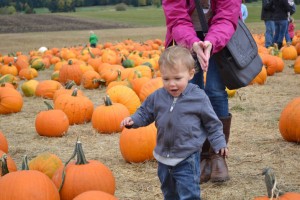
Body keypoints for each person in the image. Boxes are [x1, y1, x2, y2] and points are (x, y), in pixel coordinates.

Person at [120, 45, 228, 199]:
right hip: (163, 156)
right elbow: (145, 112)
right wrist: (134, 120)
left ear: (190, 74)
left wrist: (219, 142)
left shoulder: (198, 97)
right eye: (166, 79)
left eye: (177, 78)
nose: (171, 84)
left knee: (189, 194)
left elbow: (212, 123)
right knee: (169, 193)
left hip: (187, 157)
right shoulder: (158, 96)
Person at [162, 0, 239, 184]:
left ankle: (217, 154)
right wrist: (193, 44)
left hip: (220, 35)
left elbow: (227, 15)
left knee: (215, 90)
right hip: (186, 37)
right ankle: (200, 154)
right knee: (191, 91)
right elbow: (177, 17)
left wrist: (212, 41)